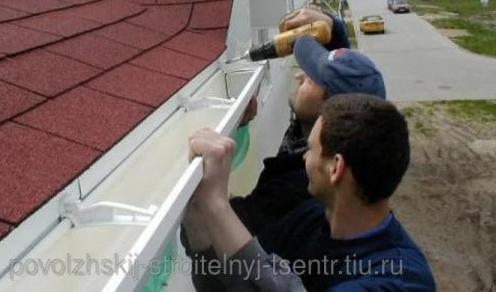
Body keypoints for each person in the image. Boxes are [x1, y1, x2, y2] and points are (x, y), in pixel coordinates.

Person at [183, 93, 436, 291]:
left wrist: (217, 204)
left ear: (335, 168)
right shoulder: (310, 219)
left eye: (311, 149)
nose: (304, 156)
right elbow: (230, 280)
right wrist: (198, 220)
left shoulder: (401, 278)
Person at [229, 33, 386, 235]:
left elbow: (216, 234)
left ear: (330, 110)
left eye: (312, 78)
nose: (299, 76)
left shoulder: (301, 187)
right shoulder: (304, 139)